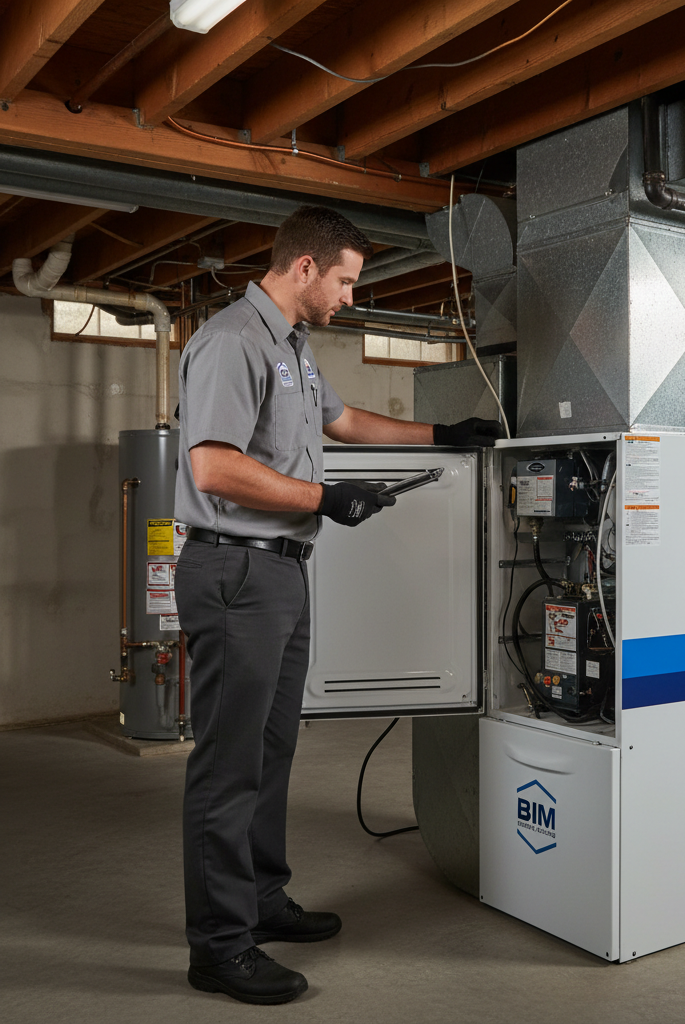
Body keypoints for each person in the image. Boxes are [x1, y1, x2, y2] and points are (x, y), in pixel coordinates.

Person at [173, 205, 502, 1005]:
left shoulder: (294, 347)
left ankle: (259, 900)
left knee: (273, 748)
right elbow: (212, 467)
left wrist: (441, 435)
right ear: (307, 267)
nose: (353, 297)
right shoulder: (231, 341)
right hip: (234, 571)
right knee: (229, 763)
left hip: (281, 571)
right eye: (348, 281)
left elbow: (344, 419)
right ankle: (219, 945)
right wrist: (324, 496)